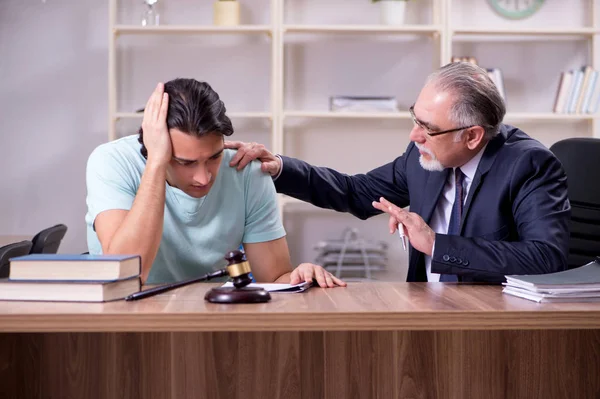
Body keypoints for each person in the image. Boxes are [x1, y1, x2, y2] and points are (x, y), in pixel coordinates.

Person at [225, 62, 571, 283]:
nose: (414, 135)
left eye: (428, 128)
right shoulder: (424, 154)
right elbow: (356, 192)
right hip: (424, 309)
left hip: (497, 319)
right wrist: (281, 168)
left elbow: (546, 255)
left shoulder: (528, 165)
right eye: (415, 119)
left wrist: (436, 245)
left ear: (473, 136)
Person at [85, 78, 345, 288]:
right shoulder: (110, 162)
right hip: (123, 319)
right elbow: (127, 273)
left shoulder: (246, 171)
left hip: (212, 319)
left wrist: (301, 277)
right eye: (185, 163)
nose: (203, 178)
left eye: (214, 157)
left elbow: (274, 280)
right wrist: (156, 163)